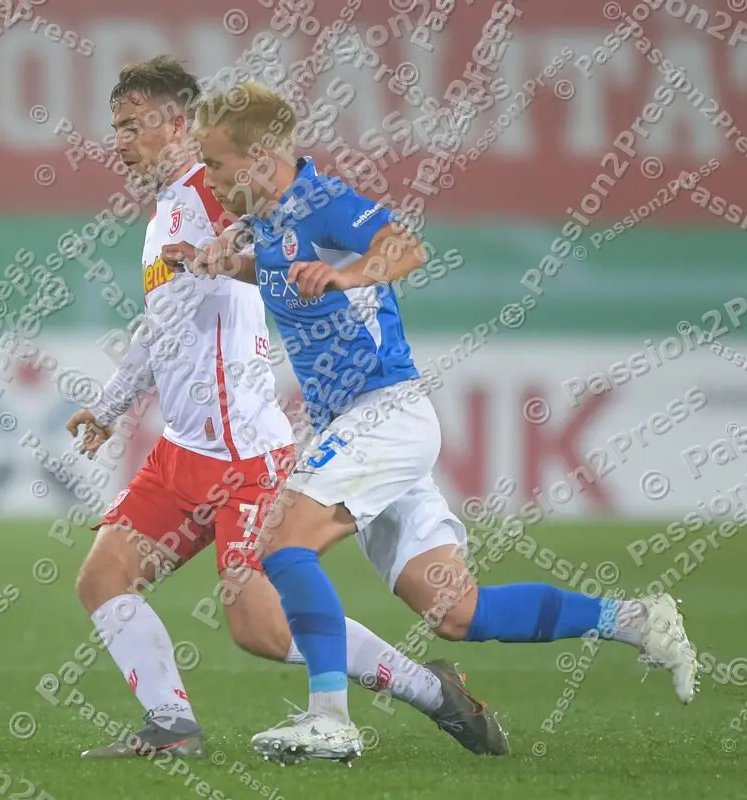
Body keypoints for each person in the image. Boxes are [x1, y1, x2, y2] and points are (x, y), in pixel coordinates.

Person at [175, 80, 699, 766]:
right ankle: (633, 620)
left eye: (214, 164)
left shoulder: (324, 202)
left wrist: (350, 275)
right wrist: (226, 264)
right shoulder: (268, 216)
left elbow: (405, 249)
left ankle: (329, 718)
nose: (207, 179)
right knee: (457, 612)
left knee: (281, 542)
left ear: (262, 157)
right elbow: (278, 270)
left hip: (382, 412)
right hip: (366, 423)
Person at [66, 56, 509, 760]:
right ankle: (172, 728)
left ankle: (432, 691)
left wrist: (336, 262)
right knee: (103, 577)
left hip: (248, 456)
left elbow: (294, 205)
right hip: (184, 451)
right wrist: (109, 406)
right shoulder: (165, 218)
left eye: (131, 126)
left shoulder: (226, 197)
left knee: (264, 631)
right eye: (114, 127)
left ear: (179, 127)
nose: (117, 142)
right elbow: (163, 327)